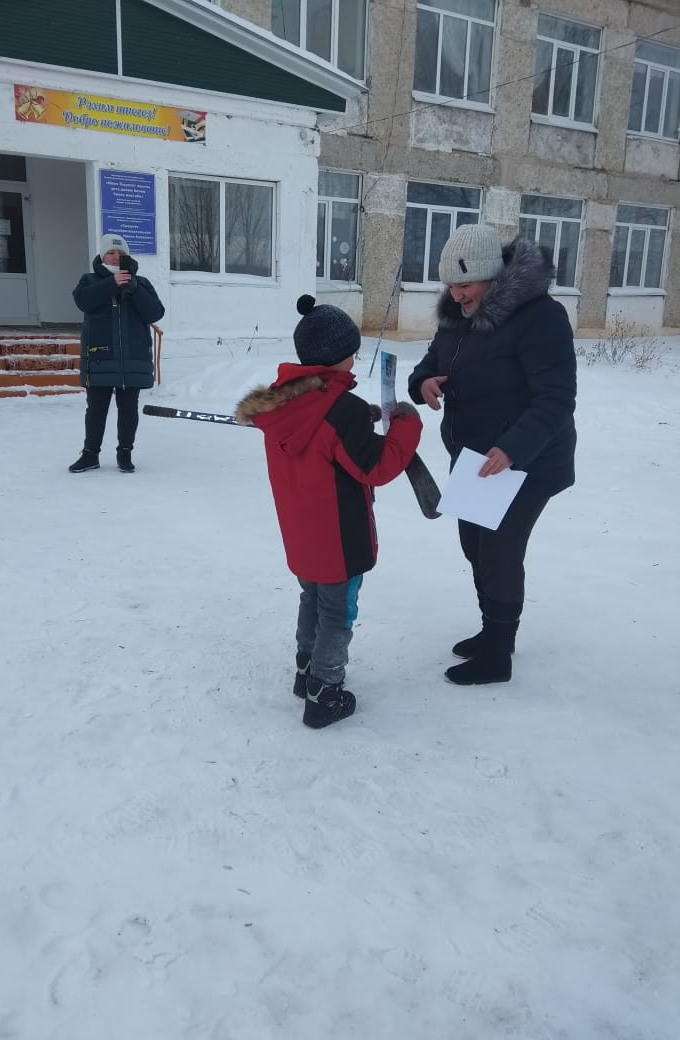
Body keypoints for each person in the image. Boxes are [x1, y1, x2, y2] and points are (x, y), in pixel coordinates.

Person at [236, 295, 422, 728]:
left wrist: (361, 420)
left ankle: (306, 670)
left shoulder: (283, 403)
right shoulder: (342, 411)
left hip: (302, 533)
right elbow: (376, 467)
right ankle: (325, 692)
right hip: (339, 537)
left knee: (313, 598)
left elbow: (320, 433)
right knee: (338, 612)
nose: (355, 358)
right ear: (339, 356)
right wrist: (407, 425)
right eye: (352, 351)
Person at [407, 222, 577, 686]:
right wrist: (423, 383)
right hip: (475, 458)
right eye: (451, 285)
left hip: (527, 460)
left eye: (465, 284)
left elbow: (556, 398)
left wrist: (513, 448)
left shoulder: (540, 317)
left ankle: (498, 654)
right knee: (475, 548)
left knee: (499, 551)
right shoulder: (456, 314)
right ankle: (492, 631)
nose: (456, 294)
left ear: (492, 275)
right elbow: (430, 362)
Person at [68, 233, 165, 474]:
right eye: (110, 252)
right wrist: (111, 283)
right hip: (99, 358)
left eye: (120, 253)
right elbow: (83, 302)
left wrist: (134, 288)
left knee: (129, 409)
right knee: (96, 410)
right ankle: (90, 454)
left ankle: (125, 453)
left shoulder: (141, 283)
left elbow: (155, 313)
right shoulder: (89, 280)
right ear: (102, 256)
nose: (115, 257)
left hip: (132, 359)